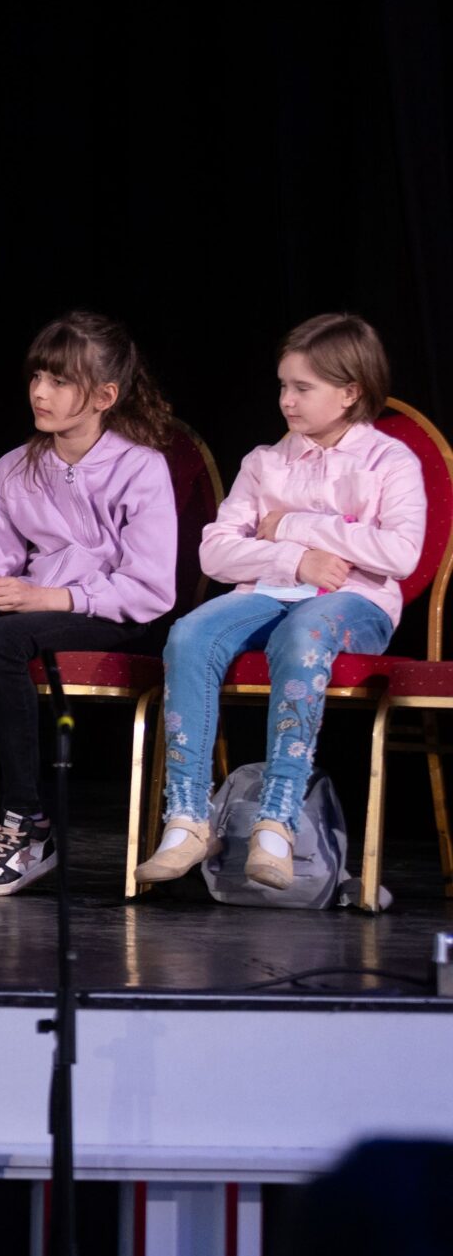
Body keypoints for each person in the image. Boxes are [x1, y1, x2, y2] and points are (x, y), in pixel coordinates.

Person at [135, 313, 426, 892]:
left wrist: (291, 525)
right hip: (269, 593)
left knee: (305, 631)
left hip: (354, 602)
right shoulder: (265, 461)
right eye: (283, 386)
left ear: (350, 392)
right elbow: (216, 552)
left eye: (302, 388)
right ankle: (188, 816)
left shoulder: (389, 462)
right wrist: (295, 560)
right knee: (190, 634)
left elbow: (399, 552)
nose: (286, 401)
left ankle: (278, 817)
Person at [0, 312, 179, 896]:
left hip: (110, 614)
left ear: (104, 396)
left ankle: (27, 823)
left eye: (59, 381)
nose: (40, 392)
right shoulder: (15, 467)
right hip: (33, 607)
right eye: (37, 376)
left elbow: (150, 588)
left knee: (2, 639)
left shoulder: (141, 467)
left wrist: (51, 597)